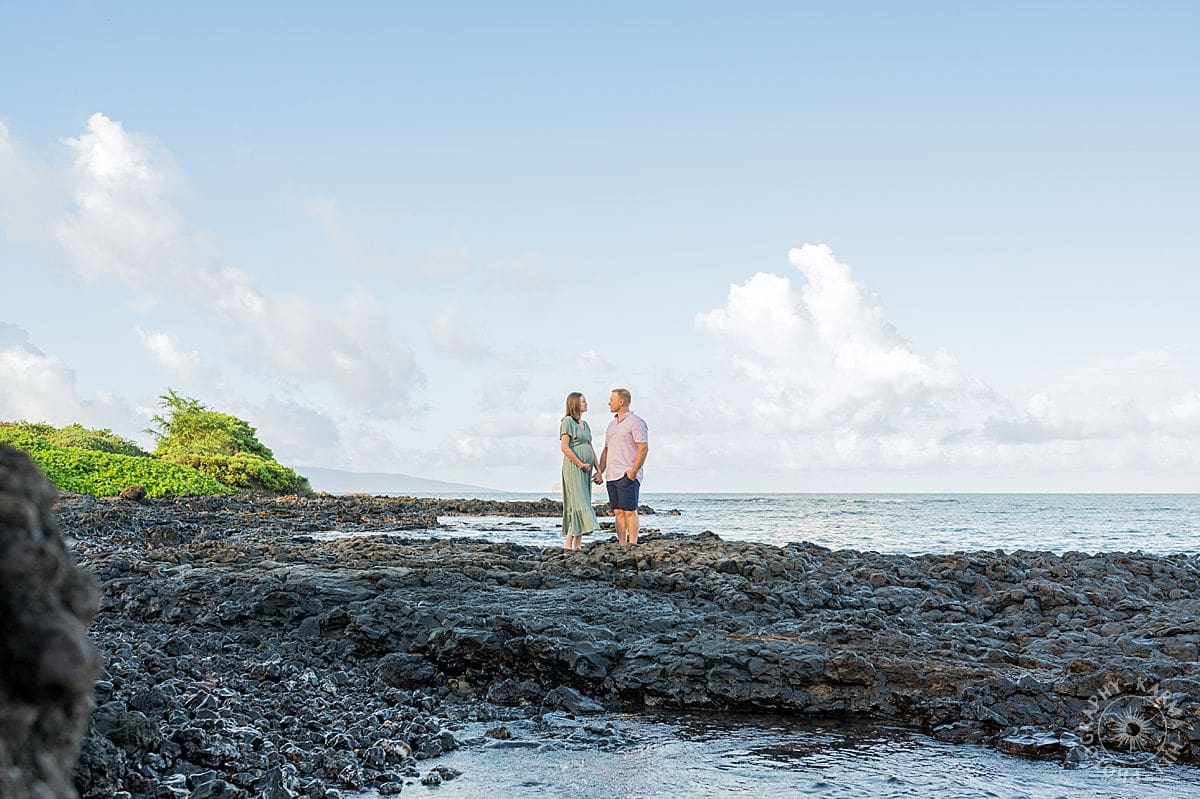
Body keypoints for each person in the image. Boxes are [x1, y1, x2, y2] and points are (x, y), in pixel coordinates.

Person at [598, 387, 648, 546]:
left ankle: (632, 544)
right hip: (611, 475)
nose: (609, 403)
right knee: (618, 512)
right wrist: (600, 471)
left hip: (627, 474)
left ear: (621, 402)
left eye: (611, 400)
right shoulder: (611, 425)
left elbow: (643, 448)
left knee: (629, 511)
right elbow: (606, 450)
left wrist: (633, 471)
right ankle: (621, 544)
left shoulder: (636, 422)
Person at [559, 392, 603, 550]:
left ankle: (577, 545)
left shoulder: (586, 424)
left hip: (586, 470)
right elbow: (564, 448)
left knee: (583, 502)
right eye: (583, 401)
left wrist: (599, 471)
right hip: (574, 468)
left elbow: (591, 448)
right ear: (575, 404)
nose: (586, 404)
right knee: (578, 503)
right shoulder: (567, 422)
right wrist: (580, 464)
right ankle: (568, 544)